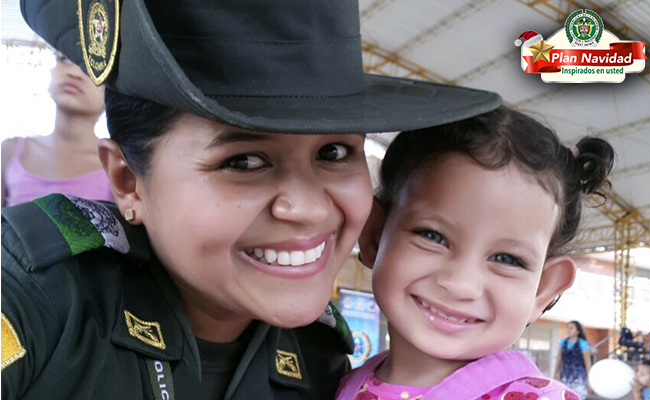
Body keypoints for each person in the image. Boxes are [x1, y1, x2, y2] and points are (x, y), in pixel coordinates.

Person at [1, 0, 501, 399]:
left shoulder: (321, 359)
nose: (309, 209)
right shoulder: (37, 297)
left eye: (334, 152)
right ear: (128, 181)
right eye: (243, 161)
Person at [336, 106, 614, 400]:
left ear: (543, 290)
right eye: (433, 236)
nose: (460, 285)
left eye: (507, 259)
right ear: (375, 235)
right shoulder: (341, 383)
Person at [1, 52, 111, 207]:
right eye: (64, 59)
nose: (74, 73)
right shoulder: (10, 150)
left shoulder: (115, 166)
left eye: (93, 67)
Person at [554, 320, 592, 398]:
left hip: (579, 379)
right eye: (567, 328)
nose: (568, 330)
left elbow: (587, 363)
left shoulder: (583, 343)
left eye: (571, 328)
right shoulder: (562, 342)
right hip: (564, 377)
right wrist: (556, 373)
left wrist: (589, 380)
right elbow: (559, 359)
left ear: (578, 331)